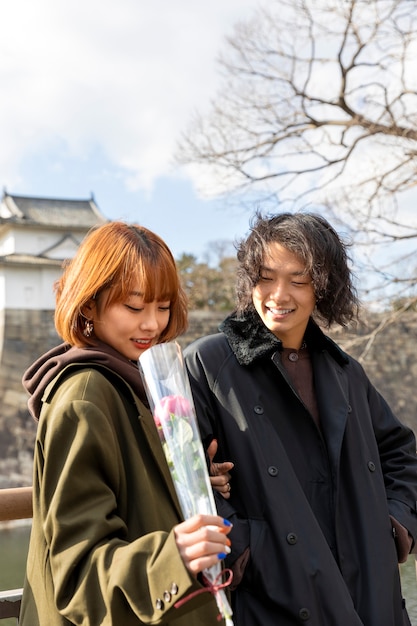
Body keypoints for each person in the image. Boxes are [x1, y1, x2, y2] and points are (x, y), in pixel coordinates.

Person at [184, 211, 417, 626]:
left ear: (323, 287)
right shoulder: (209, 364)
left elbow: (403, 455)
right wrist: (247, 550)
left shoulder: (346, 374)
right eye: (266, 276)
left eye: (298, 279)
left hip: (371, 599)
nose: (279, 294)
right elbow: (182, 479)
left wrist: (394, 526)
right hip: (275, 600)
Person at [19, 221, 232, 626]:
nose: (151, 324)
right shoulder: (84, 397)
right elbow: (77, 575)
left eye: (163, 306)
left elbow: (134, 493)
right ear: (88, 303)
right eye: (134, 307)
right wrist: (175, 557)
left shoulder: (136, 381)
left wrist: (194, 480)